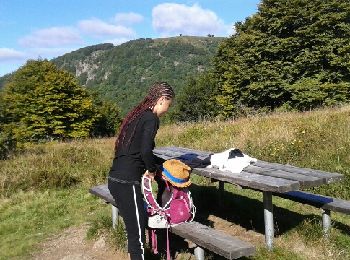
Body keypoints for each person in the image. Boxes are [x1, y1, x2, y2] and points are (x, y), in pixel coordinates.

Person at [108, 82, 175, 260]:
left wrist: (154, 164)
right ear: (162, 100)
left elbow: (136, 150)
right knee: (137, 233)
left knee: (133, 229)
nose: (167, 110)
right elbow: (145, 151)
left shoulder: (138, 116)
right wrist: (151, 170)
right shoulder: (151, 118)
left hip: (116, 178)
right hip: (127, 182)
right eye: (169, 104)